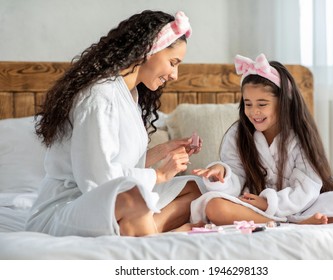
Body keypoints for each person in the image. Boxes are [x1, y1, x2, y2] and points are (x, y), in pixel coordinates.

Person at [25, 10, 206, 237]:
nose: (174, 75)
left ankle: (144, 228)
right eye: (173, 63)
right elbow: (99, 181)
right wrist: (158, 175)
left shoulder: (130, 94)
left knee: (195, 188)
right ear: (150, 49)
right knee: (133, 199)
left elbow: (117, 163)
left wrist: (162, 151)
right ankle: (151, 233)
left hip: (104, 202)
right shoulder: (99, 96)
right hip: (67, 208)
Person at [191, 53, 333, 225]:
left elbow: (306, 187)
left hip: (299, 204)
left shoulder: (300, 136)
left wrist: (270, 203)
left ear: (282, 103)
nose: (253, 111)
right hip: (253, 206)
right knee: (214, 206)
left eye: (262, 104)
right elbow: (236, 176)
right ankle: (286, 223)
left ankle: (283, 219)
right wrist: (222, 173)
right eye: (248, 104)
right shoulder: (238, 134)